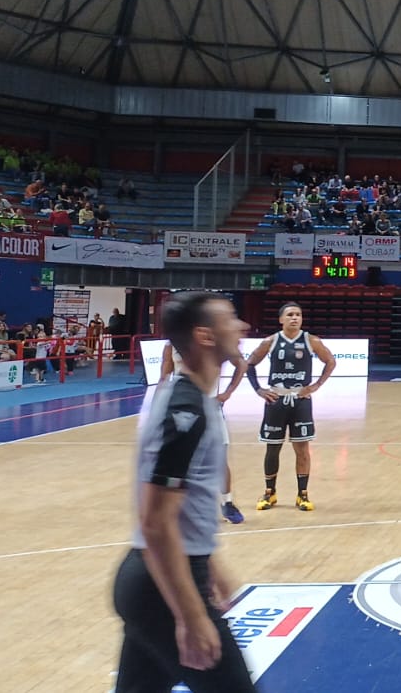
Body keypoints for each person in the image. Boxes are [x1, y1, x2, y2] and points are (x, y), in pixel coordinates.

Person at [112, 291, 257, 692]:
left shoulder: (190, 399)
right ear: (205, 336)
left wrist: (211, 566)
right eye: (231, 319)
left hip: (152, 578)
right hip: (162, 586)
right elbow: (156, 522)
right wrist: (191, 616)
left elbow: (181, 510)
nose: (242, 326)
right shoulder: (186, 410)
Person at [244, 304, 336, 513]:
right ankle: (270, 492)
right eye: (290, 315)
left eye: (298, 315)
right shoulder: (270, 341)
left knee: (302, 449)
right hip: (276, 400)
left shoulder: (311, 340)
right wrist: (258, 389)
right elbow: (249, 364)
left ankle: (302, 494)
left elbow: (330, 361)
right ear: (281, 320)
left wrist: (316, 385)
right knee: (272, 448)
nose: (295, 318)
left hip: (300, 401)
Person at [161, 343, 247, 525]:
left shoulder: (214, 342)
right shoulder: (172, 345)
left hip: (210, 407)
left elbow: (241, 363)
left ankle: (227, 503)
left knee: (219, 459)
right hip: (182, 408)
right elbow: (164, 378)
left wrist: (227, 393)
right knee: (178, 461)